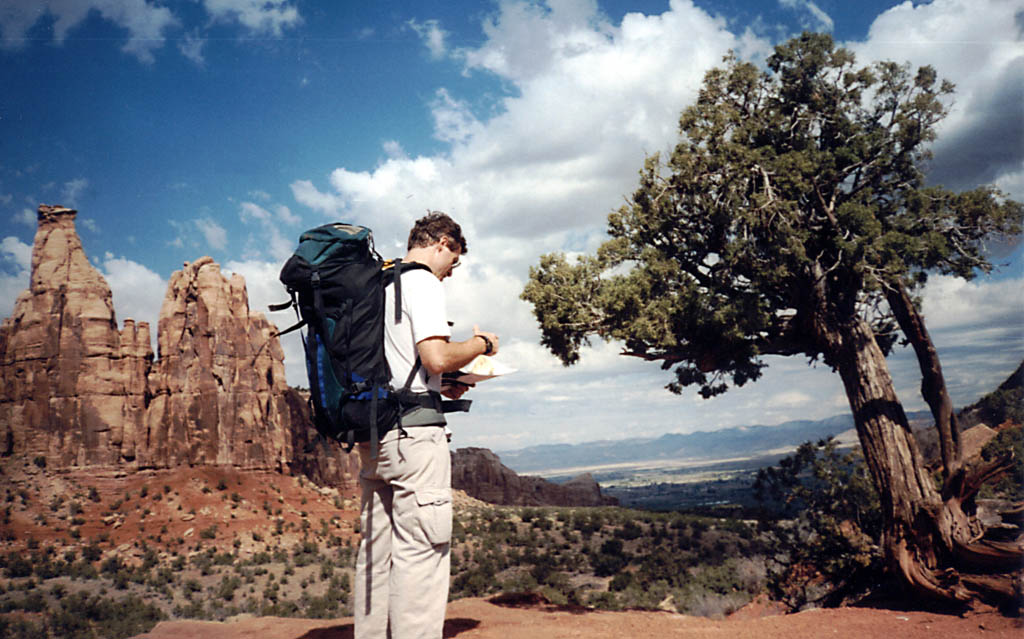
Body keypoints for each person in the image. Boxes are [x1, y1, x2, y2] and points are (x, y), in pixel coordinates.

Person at [354, 211, 499, 639]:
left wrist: (441, 384)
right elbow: (435, 356)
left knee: (376, 554)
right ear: (442, 244)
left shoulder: (375, 285)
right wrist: (480, 345)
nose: (449, 274)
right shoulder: (422, 282)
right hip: (415, 439)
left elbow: (406, 365)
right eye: (452, 263)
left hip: (373, 436)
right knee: (422, 554)